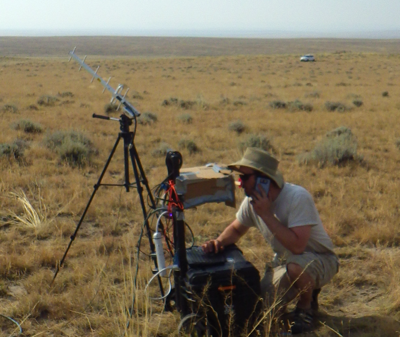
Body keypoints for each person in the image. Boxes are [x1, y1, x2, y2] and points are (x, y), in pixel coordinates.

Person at [202, 147, 339, 334]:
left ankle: (306, 307)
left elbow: (298, 247)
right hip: (285, 262)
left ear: (264, 179)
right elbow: (236, 229)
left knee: (296, 266)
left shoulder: (297, 198)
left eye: (245, 177)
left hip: (319, 259)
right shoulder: (252, 203)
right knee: (261, 309)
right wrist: (218, 242)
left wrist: (267, 215)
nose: (240, 183)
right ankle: (304, 288)